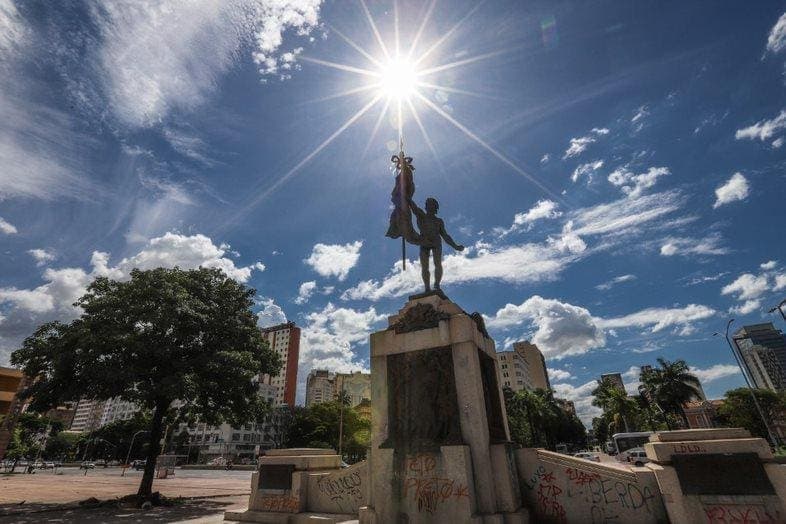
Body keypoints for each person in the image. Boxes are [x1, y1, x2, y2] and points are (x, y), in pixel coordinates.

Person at [408, 197, 464, 292]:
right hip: (424, 241)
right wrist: (407, 198)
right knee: (425, 266)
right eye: (429, 205)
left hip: (436, 242)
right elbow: (414, 208)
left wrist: (455, 246)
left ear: (435, 208)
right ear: (426, 207)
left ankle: (436, 285)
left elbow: (445, 235)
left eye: (433, 206)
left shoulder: (438, 221)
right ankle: (427, 288)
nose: (431, 207)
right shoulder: (421, 215)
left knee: (437, 264)